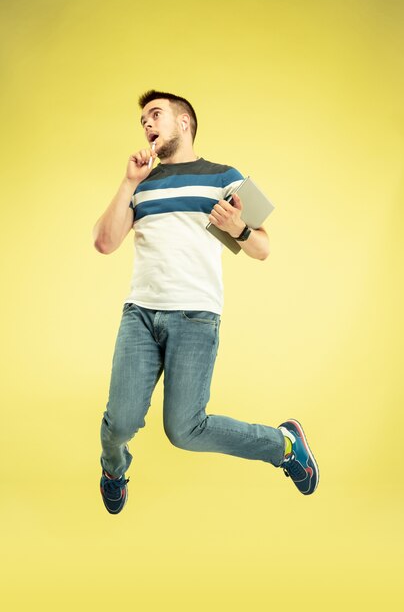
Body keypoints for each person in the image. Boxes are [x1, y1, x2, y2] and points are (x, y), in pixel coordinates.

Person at [93, 90, 319, 514]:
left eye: (155, 115)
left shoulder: (223, 177)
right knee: (119, 424)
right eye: (142, 120)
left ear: (184, 123)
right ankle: (113, 467)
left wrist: (239, 228)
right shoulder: (141, 186)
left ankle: (284, 445)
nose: (146, 125)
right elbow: (105, 242)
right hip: (140, 315)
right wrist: (127, 182)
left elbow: (263, 248)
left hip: (195, 318)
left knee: (184, 430)